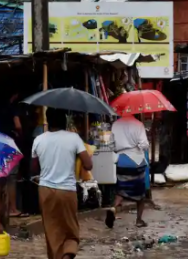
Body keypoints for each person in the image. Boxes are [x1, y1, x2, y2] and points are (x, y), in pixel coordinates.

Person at [32, 107, 92, 259]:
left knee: (52, 229)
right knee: (71, 229)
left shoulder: (38, 140)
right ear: (65, 121)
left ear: (48, 121)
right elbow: (89, 165)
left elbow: (33, 168)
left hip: (45, 189)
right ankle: (67, 254)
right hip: (67, 190)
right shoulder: (74, 138)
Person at [106, 115, 149, 228]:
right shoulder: (138, 124)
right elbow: (144, 144)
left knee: (121, 191)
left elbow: (111, 144)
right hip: (136, 162)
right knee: (140, 195)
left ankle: (113, 208)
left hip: (121, 161)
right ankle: (139, 220)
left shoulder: (115, 125)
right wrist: (137, 145)